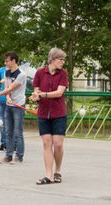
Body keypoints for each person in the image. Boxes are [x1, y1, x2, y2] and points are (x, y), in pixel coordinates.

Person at [30, 48, 68, 185]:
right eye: (60, 59)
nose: (63, 62)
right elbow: (36, 90)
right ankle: (48, 175)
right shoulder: (40, 73)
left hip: (59, 113)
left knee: (58, 144)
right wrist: (36, 96)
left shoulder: (63, 74)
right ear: (52, 59)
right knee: (47, 143)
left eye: (64, 60)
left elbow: (59, 92)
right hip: (43, 113)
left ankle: (57, 170)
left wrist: (43, 94)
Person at [0, 51, 27, 163]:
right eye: (5, 61)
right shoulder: (6, 72)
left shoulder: (21, 74)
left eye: (7, 61)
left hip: (18, 105)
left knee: (17, 132)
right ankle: (8, 156)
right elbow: (7, 88)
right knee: (8, 131)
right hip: (8, 105)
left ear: (14, 61)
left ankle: (19, 156)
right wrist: (8, 97)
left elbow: (10, 88)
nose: (5, 63)